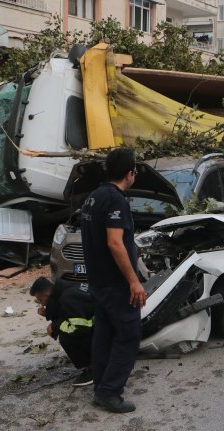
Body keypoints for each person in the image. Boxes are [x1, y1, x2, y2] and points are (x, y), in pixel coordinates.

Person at [81, 147, 147, 413]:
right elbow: (115, 243)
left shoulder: (93, 197)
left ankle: (101, 385)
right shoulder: (116, 200)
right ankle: (109, 393)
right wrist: (133, 281)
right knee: (129, 335)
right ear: (130, 174)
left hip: (98, 281)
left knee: (105, 334)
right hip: (115, 283)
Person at [30, 277, 95, 387]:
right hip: (104, 322)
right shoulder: (66, 287)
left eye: (40, 300)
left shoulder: (67, 298)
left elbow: (80, 329)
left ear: (46, 294)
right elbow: (67, 312)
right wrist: (48, 313)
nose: (41, 304)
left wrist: (55, 327)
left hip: (104, 329)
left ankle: (93, 369)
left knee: (66, 338)